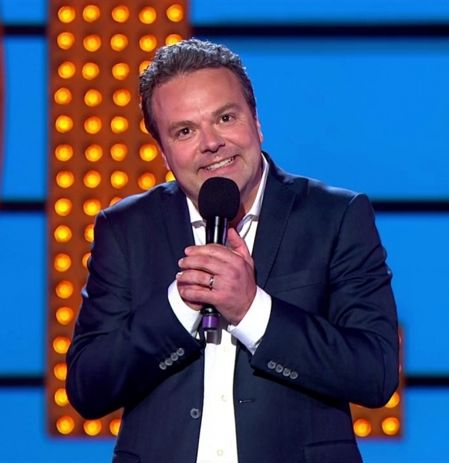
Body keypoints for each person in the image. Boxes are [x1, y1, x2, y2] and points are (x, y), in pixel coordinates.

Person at [66, 38, 399, 463]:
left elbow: (375, 373)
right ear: (163, 151)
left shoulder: (334, 217)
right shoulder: (126, 228)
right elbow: (88, 388)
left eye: (225, 118)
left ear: (256, 122)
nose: (211, 143)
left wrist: (252, 310)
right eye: (185, 131)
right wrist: (179, 307)